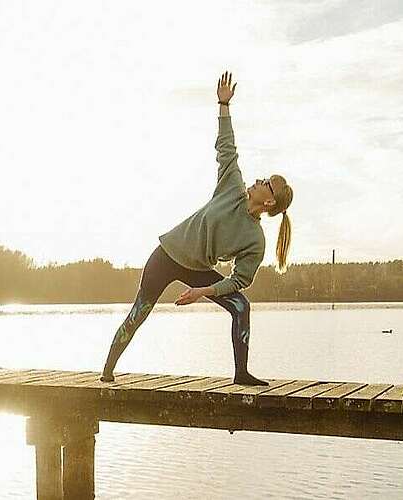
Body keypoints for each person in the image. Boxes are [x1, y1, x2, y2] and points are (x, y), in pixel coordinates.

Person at [100, 72, 294, 386]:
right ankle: (107, 370)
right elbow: (227, 148)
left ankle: (241, 374)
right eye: (262, 178)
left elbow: (239, 281)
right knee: (140, 311)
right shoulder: (232, 187)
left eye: (266, 183)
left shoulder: (254, 240)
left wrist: (202, 291)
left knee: (241, 307)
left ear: (270, 202)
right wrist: (223, 104)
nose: (258, 181)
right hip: (167, 254)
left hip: (197, 270)